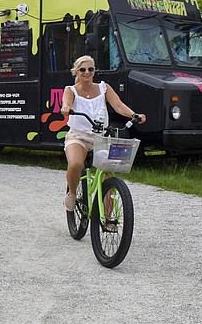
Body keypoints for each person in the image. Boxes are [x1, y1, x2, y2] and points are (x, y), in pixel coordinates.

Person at [60, 55, 146, 211]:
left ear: (94, 71)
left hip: (102, 137)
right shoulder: (70, 90)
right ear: (77, 72)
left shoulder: (103, 88)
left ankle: (107, 219)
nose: (87, 72)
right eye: (83, 69)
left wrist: (134, 115)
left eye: (90, 69)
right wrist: (66, 107)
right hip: (78, 136)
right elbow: (66, 103)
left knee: (109, 175)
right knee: (75, 164)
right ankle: (72, 193)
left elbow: (118, 106)